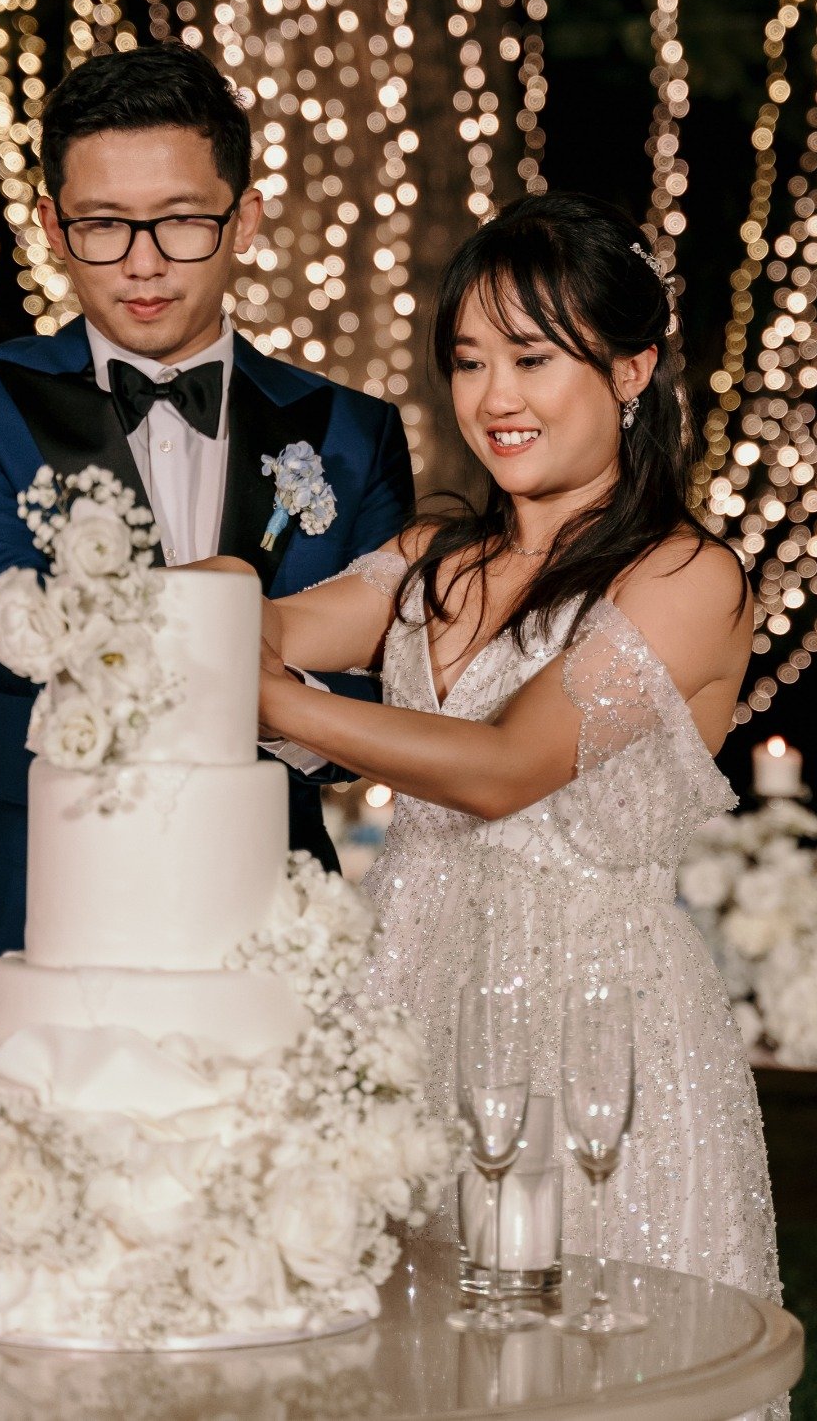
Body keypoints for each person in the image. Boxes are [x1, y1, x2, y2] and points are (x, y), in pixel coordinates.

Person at [250, 191, 781, 1312]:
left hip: (599, 1043)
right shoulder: (432, 557)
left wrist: (276, 704)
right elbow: (277, 630)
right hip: (411, 1009)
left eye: (533, 359)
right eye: (470, 361)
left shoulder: (688, 576)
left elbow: (500, 766)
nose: (496, 398)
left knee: (593, 1358)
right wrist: (214, 605)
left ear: (632, 369)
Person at [0, 42, 414, 1107]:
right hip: (18, 922)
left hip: (261, 928)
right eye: (102, 224)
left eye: (182, 219)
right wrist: (244, 647)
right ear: (55, 221)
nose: (143, 261)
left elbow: (369, 691)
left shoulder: (349, 431)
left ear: (243, 220)